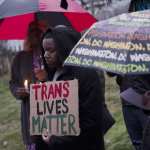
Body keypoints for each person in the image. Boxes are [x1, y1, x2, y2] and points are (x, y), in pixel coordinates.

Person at [36, 25, 105, 150]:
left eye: (51, 50)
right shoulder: (52, 74)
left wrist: (57, 139)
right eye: (44, 50)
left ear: (65, 49)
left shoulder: (86, 74)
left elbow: (91, 120)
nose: (45, 55)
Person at [9, 20, 48, 150]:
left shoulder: (51, 52)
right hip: (30, 113)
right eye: (32, 31)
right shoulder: (19, 58)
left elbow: (63, 77)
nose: (36, 34)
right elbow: (13, 82)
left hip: (52, 110)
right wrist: (17, 91)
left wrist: (46, 77)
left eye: (39, 30)